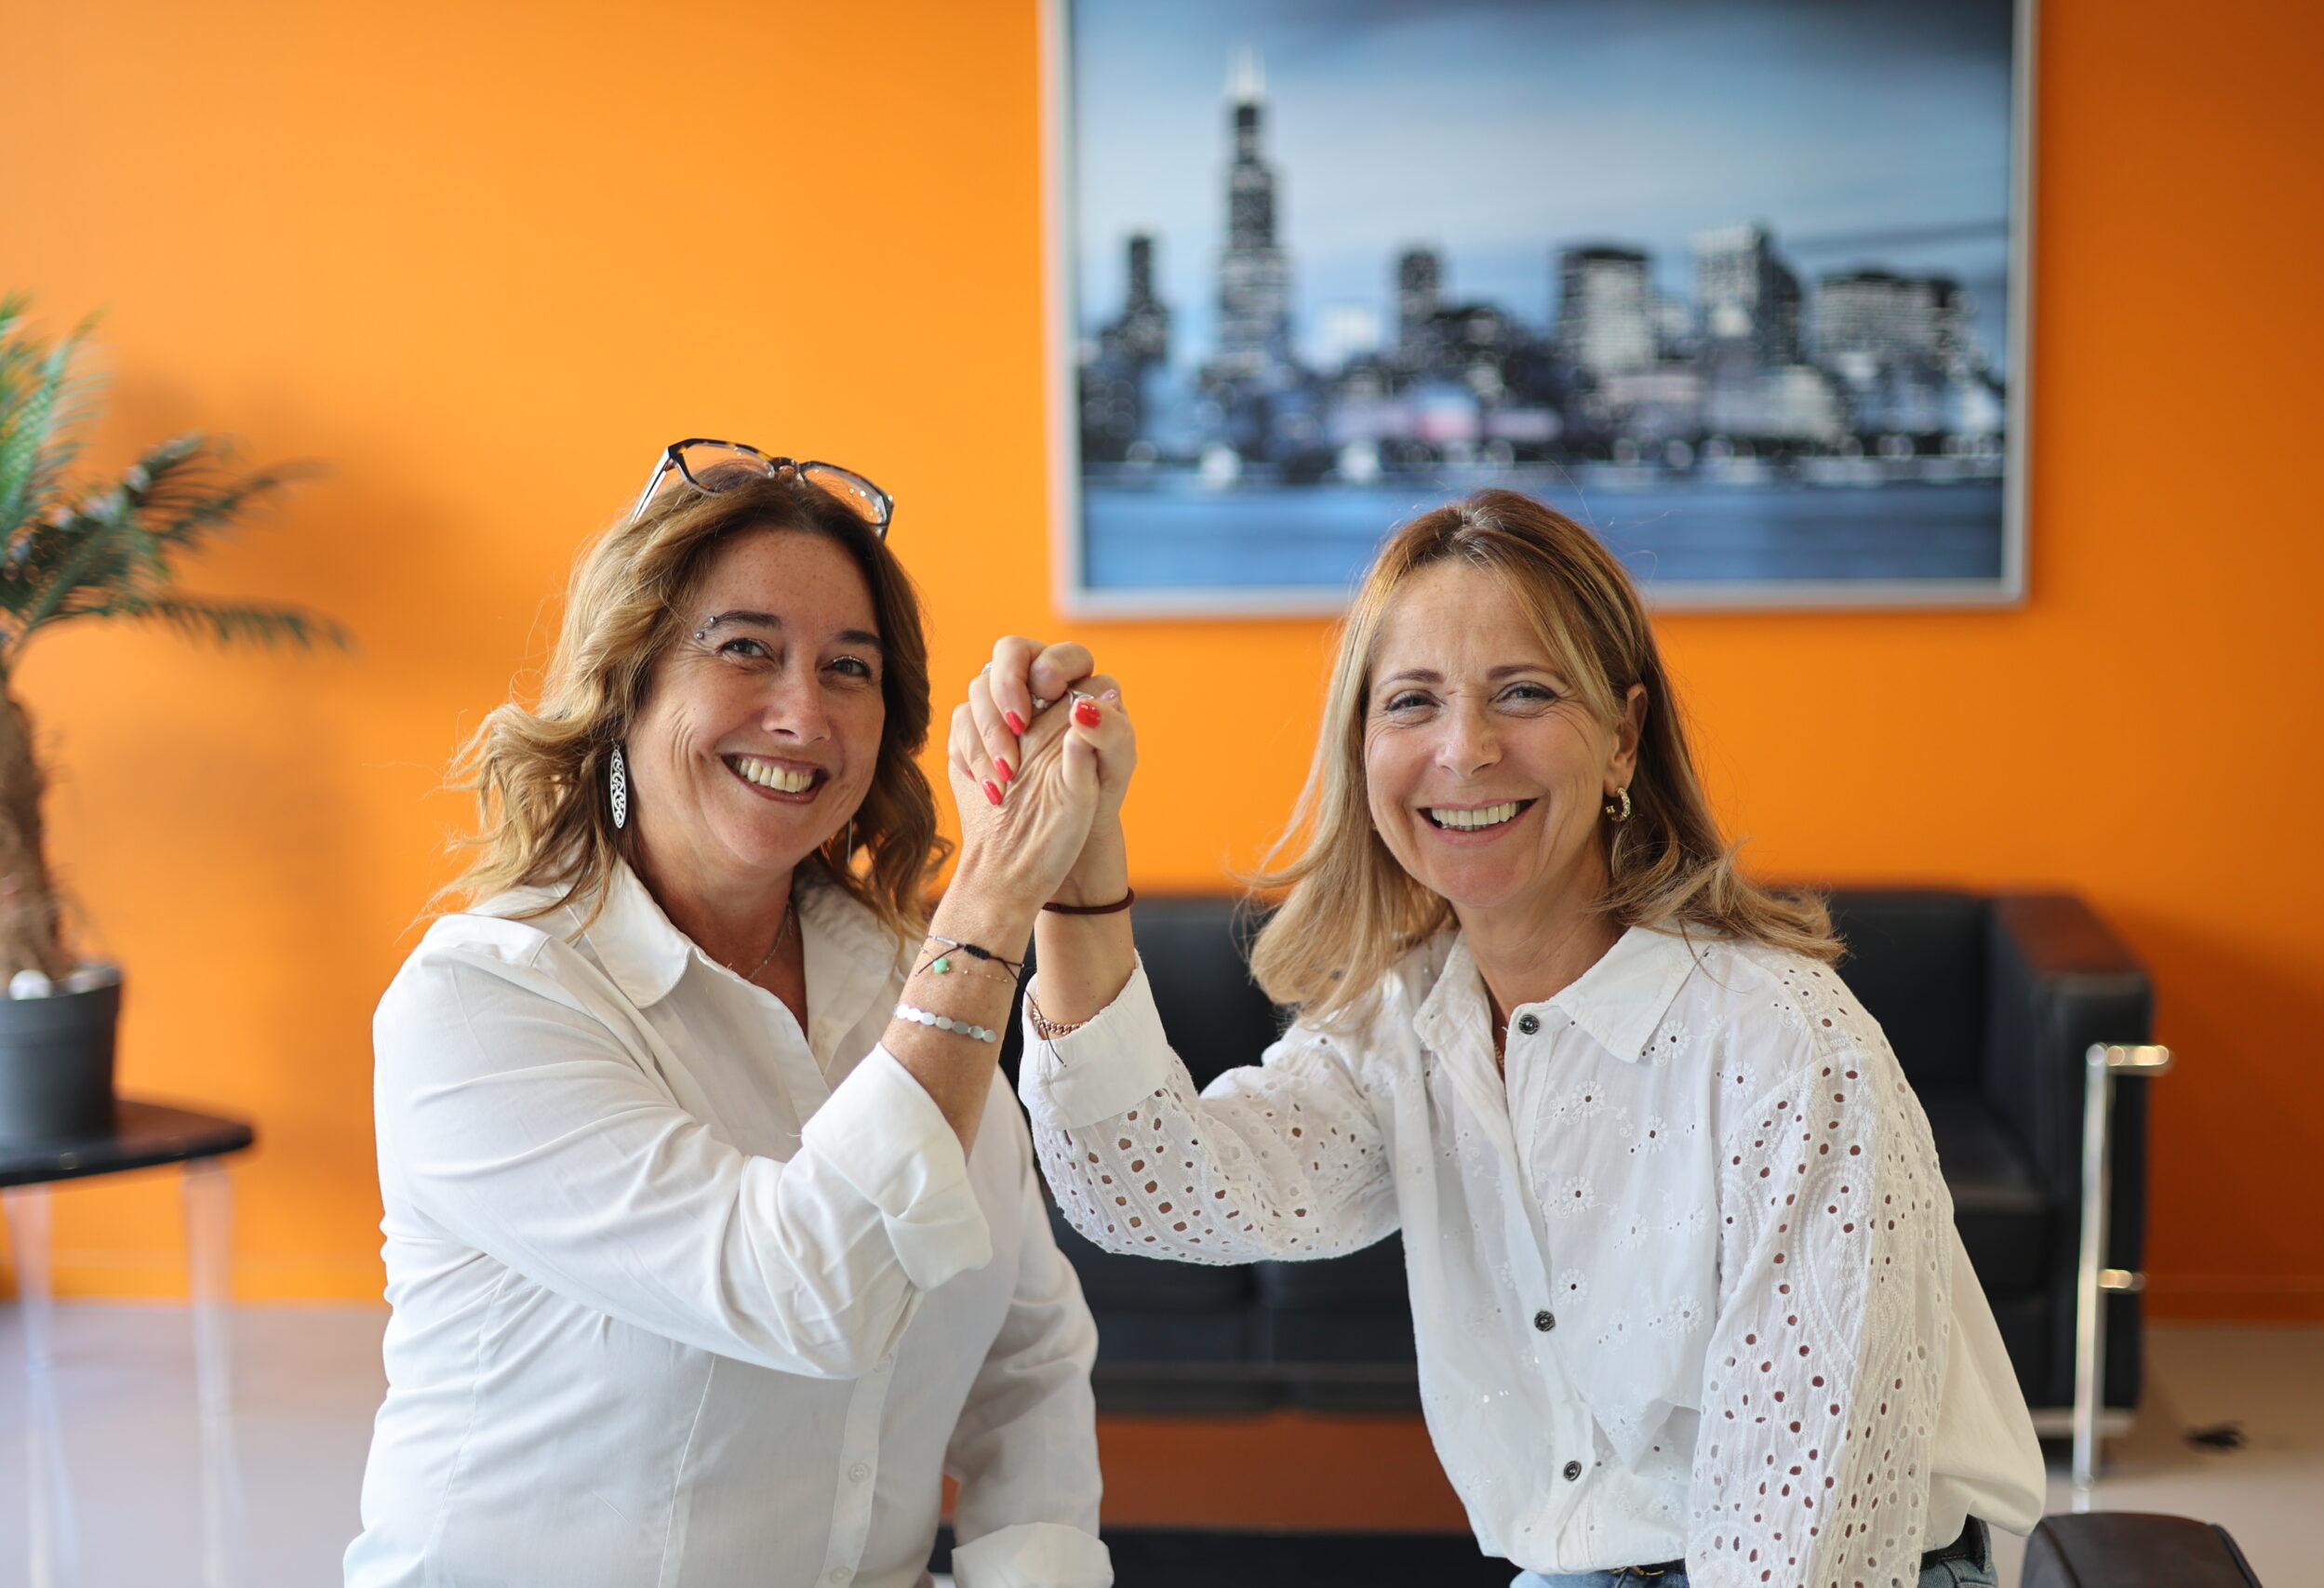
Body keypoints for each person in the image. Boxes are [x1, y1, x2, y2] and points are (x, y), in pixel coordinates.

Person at [961, 489, 2044, 1588]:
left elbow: (1807, 1551)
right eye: (1412, 702)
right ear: (1363, 748)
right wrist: (1074, 866)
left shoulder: (1784, 1046)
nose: (1465, 750)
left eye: (1523, 693)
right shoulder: (1406, 1021)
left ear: (1622, 738)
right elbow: (1146, 1191)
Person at [349, 440, 1119, 1588]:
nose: (802, 715)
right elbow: (809, 1294)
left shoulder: (898, 984)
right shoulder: (482, 1001)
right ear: (626, 685)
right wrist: (994, 900)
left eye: (849, 668)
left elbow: (1026, 1353)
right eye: (745, 648)